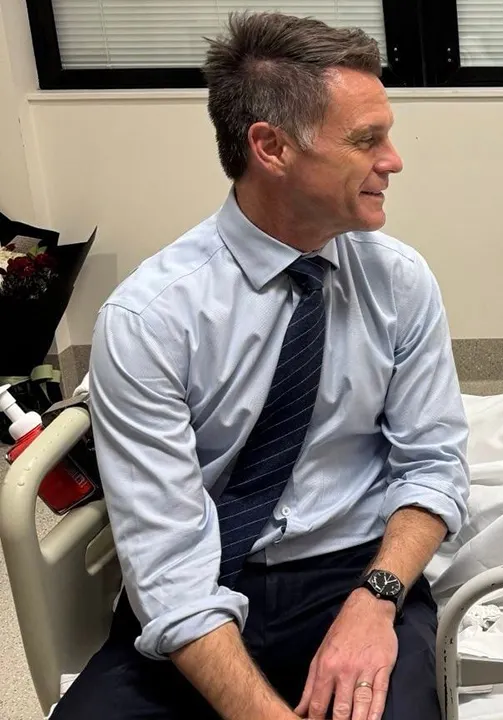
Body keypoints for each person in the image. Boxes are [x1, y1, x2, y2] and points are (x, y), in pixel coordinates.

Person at [53, 12, 467, 720]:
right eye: (366, 139)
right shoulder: (151, 319)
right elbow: (168, 562)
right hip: (206, 574)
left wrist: (377, 600)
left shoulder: (398, 282)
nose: (394, 160)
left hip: (356, 573)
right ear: (271, 147)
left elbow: (433, 465)